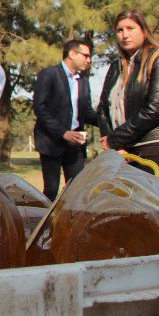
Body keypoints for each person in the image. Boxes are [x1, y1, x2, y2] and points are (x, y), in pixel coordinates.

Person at [98, 10, 159, 183]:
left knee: (155, 209)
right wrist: (114, 146)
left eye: (130, 28)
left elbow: (155, 109)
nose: (125, 35)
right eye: (119, 30)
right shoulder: (116, 66)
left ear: (143, 31)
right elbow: (102, 108)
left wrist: (114, 139)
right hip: (123, 153)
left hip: (156, 149)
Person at [32, 40, 98, 201]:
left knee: (77, 190)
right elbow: (40, 108)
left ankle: (69, 224)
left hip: (75, 144)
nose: (89, 60)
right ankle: (46, 225)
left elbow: (87, 112)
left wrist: (107, 122)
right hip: (51, 142)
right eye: (86, 55)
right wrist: (62, 133)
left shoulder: (83, 80)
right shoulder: (49, 74)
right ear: (72, 54)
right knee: (51, 191)